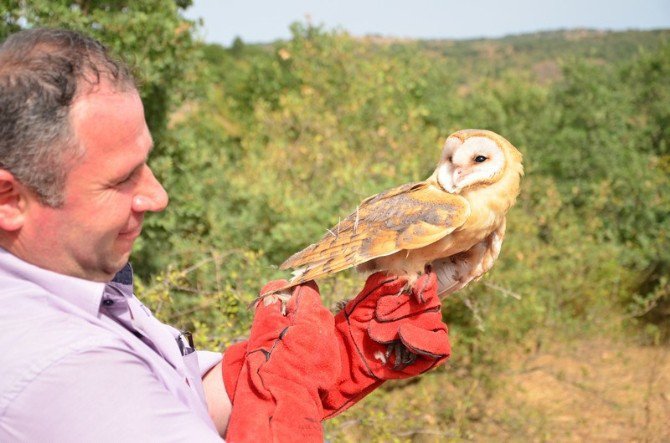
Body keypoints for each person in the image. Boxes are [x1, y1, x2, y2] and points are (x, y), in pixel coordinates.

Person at [0, 28, 450, 442]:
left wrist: (330, 351)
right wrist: (283, 396)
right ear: (9, 200)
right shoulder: (65, 370)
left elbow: (180, 399)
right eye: (122, 180)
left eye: (146, 163)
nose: (157, 196)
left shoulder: (68, 282)